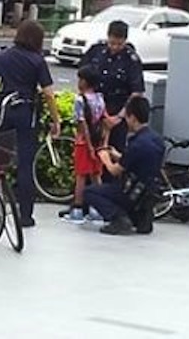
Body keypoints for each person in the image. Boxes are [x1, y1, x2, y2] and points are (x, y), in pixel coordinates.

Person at [0, 20, 61, 228]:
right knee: (25, 164)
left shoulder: (4, 56)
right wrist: (56, 120)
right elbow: (48, 94)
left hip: (4, 112)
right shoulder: (37, 60)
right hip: (26, 113)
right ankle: (25, 215)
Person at [83, 96, 165, 235]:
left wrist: (105, 158)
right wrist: (117, 155)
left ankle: (119, 218)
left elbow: (115, 171)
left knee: (90, 192)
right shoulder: (157, 140)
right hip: (149, 193)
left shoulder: (136, 143)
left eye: (127, 118)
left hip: (131, 192)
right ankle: (140, 217)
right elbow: (139, 160)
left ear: (132, 117)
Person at [78, 20, 145, 180]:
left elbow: (137, 92)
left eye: (119, 44)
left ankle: (109, 189)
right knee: (89, 153)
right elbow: (82, 76)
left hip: (117, 110)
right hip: (94, 108)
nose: (114, 47)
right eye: (112, 43)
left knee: (112, 151)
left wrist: (119, 117)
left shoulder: (131, 59)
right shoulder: (96, 51)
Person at [60, 65, 106, 224]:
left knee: (80, 176)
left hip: (83, 143)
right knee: (96, 175)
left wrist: (88, 145)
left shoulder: (80, 100)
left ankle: (78, 209)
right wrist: (100, 144)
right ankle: (97, 209)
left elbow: (82, 124)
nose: (78, 82)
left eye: (80, 79)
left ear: (85, 82)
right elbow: (104, 122)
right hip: (98, 142)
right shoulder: (100, 98)